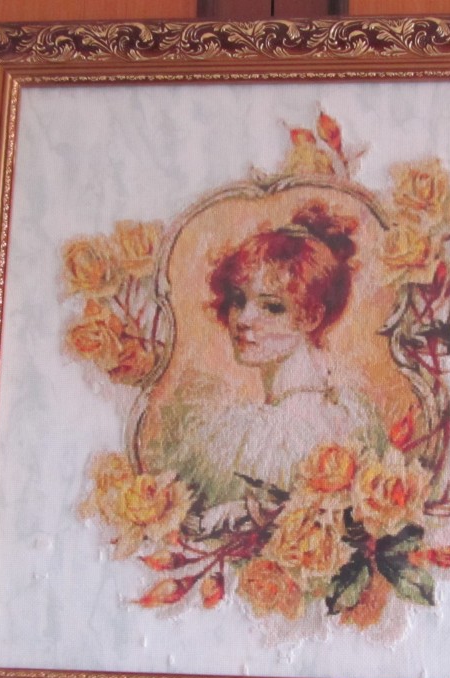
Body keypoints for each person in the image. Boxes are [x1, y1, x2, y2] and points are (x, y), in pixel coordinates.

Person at [156, 200, 385, 504]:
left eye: (272, 307)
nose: (244, 319)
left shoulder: (285, 435)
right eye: (239, 300)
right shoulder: (332, 414)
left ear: (311, 317)